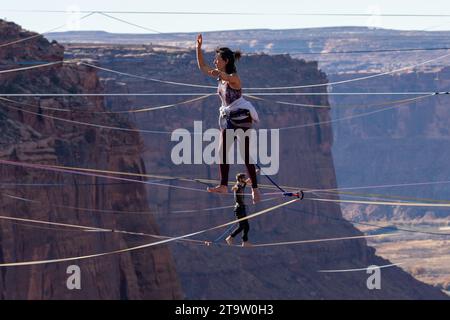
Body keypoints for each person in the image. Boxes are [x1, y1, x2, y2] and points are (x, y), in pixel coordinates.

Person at [196, 33, 261, 204]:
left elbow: (227, 77)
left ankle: (255, 189)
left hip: (242, 119)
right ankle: (223, 185)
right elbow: (202, 67)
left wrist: (220, 73)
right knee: (221, 152)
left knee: (244, 153)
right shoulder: (221, 76)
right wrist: (198, 48)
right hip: (228, 119)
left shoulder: (234, 78)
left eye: (217, 59)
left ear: (226, 61)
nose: (215, 61)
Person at [225, 173, 252, 247]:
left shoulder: (242, 185)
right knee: (241, 226)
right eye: (243, 178)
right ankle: (230, 238)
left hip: (242, 208)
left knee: (246, 226)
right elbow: (235, 187)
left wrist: (254, 173)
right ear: (240, 179)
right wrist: (234, 188)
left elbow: (248, 181)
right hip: (239, 209)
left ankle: (244, 242)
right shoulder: (238, 186)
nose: (244, 179)